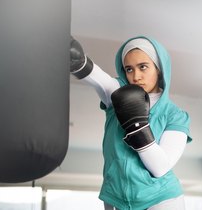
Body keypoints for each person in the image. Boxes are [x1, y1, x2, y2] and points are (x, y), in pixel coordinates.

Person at [70, 36, 192, 210]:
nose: (135, 76)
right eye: (129, 69)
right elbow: (100, 80)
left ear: (159, 68)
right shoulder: (118, 93)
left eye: (143, 67)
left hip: (161, 198)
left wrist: (137, 126)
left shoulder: (175, 115)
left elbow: (160, 168)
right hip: (115, 196)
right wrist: (77, 62)